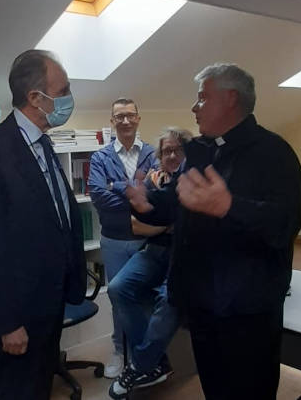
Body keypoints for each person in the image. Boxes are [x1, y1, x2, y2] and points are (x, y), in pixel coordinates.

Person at [127, 63, 301, 400]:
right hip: (202, 301)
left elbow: (285, 223)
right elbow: (176, 200)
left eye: (202, 98)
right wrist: (146, 203)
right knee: (214, 387)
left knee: (249, 391)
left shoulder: (273, 152)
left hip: (247, 309)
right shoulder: (200, 151)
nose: (195, 108)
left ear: (230, 98)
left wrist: (228, 206)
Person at [0, 50, 87, 400]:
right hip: (19, 313)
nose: (69, 98)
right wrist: (7, 323)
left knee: (40, 386)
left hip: (50, 300)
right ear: (36, 98)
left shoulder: (43, 143)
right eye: (63, 91)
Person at [107, 127, 193, 399]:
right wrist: (169, 223)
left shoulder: (192, 181)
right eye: (166, 151)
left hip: (184, 254)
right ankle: (155, 364)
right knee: (117, 287)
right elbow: (136, 225)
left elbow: (188, 226)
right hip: (155, 250)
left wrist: (162, 220)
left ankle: (140, 365)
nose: (172, 155)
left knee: (170, 298)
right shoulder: (152, 181)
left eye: (177, 150)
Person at [88, 98, 158, 378]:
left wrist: (115, 185)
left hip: (147, 240)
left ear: (138, 118)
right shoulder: (100, 157)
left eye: (130, 115)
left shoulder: (153, 154)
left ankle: (145, 355)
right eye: (120, 116)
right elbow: (98, 195)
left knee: (146, 298)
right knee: (119, 300)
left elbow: (157, 194)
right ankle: (120, 351)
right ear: (112, 121)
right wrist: (137, 195)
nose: (125, 121)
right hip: (114, 241)